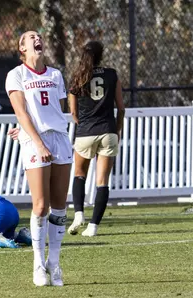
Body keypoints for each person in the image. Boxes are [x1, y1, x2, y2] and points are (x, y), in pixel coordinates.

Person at [5, 30, 72, 287]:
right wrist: (36, 140)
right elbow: (21, 112)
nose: (37, 39)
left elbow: (57, 109)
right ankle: (38, 264)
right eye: (31, 37)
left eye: (40, 35)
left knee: (59, 206)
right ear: (22, 47)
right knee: (41, 206)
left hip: (60, 138)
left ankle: (54, 263)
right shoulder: (16, 75)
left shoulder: (55, 74)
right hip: (36, 141)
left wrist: (45, 135)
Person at [66, 41, 125, 237]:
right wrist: (117, 129)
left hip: (85, 132)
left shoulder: (77, 78)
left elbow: (73, 112)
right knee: (102, 181)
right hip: (108, 131)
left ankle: (79, 214)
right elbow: (121, 108)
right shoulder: (111, 74)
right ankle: (93, 227)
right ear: (101, 55)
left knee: (79, 175)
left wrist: (82, 124)